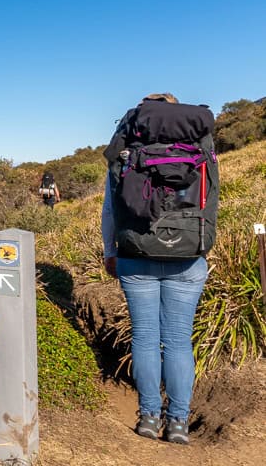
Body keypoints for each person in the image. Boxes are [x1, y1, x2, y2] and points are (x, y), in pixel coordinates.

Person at [102, 92, 217, 445]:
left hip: (137, 253)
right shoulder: (200, 145)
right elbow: (211, 200)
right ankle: (179, 423)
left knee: (146, 339)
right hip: (188, 256)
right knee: (179, 342)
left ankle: (149, 417)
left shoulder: (128, 148)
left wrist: (111, 252)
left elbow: (110, 209)